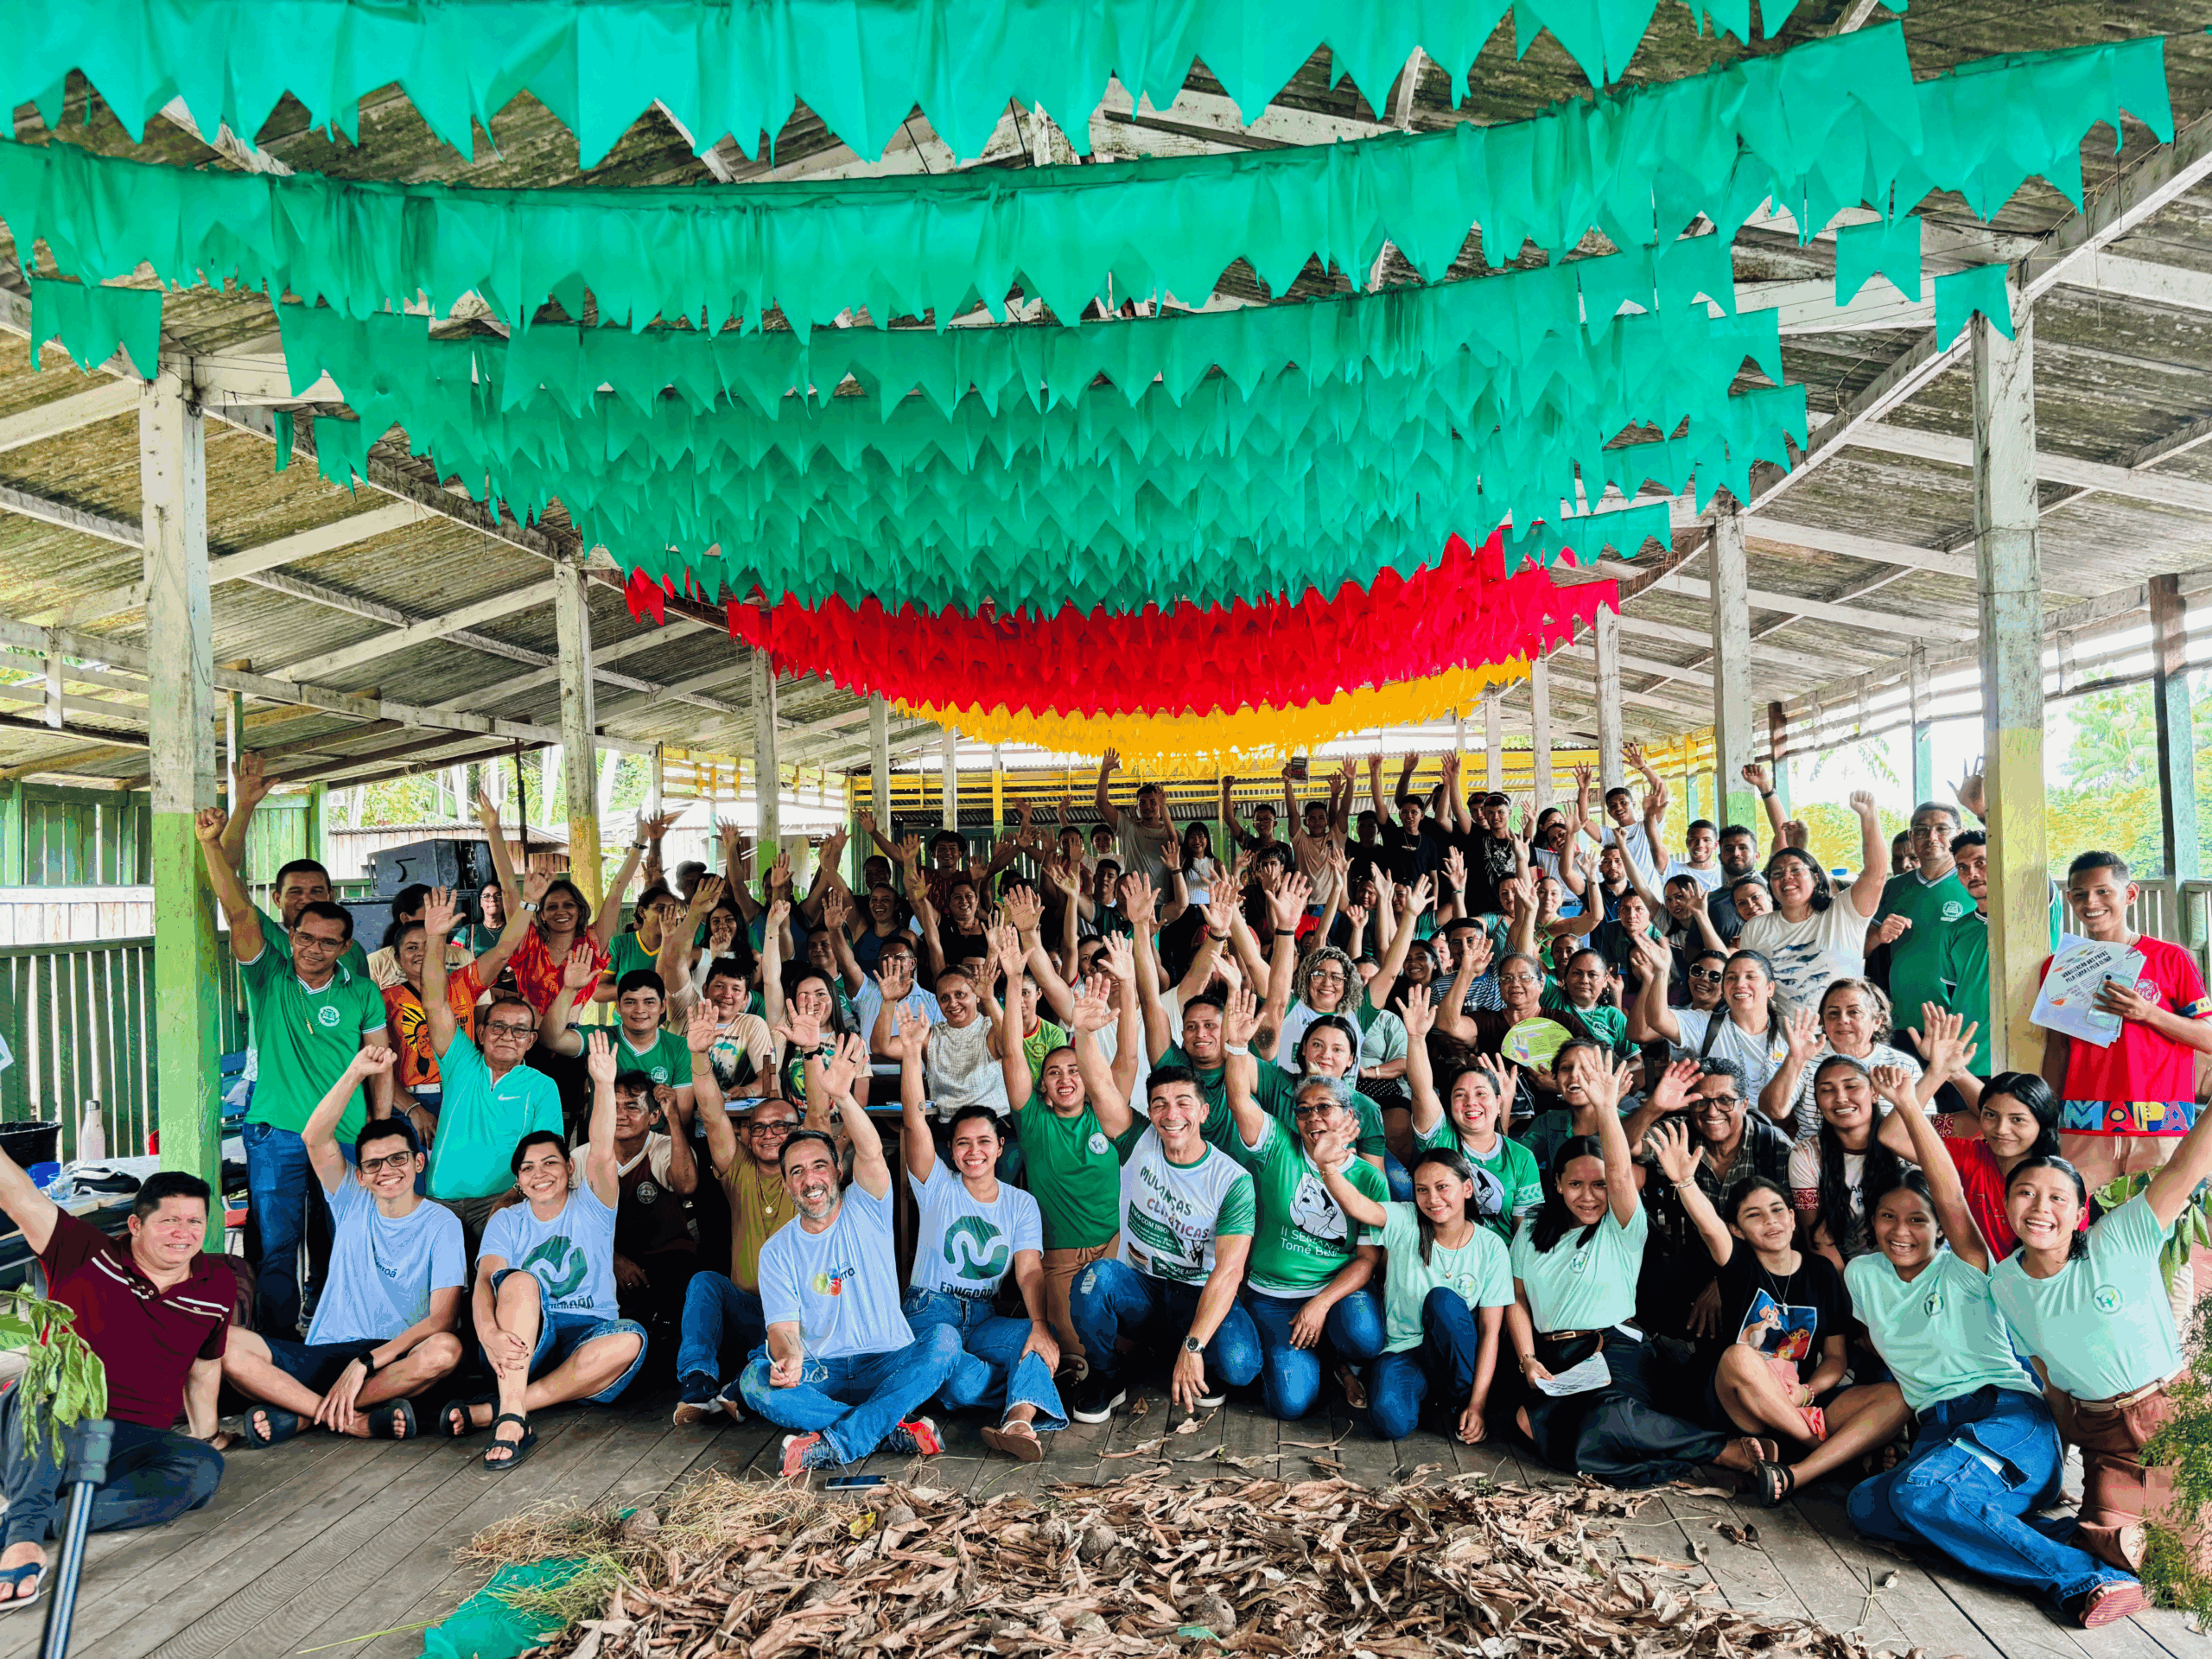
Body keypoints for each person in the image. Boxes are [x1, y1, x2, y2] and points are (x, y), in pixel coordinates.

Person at [1843, 1088, 2148, 1628]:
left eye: (1918, 1220)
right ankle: (2094, 1538)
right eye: (1888, 1217)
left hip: (2006, 1420)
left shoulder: (1964, 1266)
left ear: (1939, 1227)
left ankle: (2087, 1577)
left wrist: (1912, 1109)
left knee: (1921, 1496)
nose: (1901, 1231)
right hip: (1940, 1436)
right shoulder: (1862, 1275)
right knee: (1870, 1507)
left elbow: (1953, 1195)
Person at [1504, 1058, 1767, 1487]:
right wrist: (1528, 1359)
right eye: (1576, 1185)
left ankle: (1721, 1449)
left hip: (1614, 1348)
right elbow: (1516, 1297)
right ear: (1557, 1184)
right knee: (1528, 1424)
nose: (1589, 1196)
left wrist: (1607, 1108)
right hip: (1557, 1358)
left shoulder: (1621, 1224)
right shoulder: (1534, 1228)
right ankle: (1662, 1448)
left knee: (1606, 1419)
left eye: (1599, 1185)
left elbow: (1621, 1172)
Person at [1990, 1095, 2212, 1579]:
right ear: (2007, 1205)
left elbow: (2185, 1166)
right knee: (2101, 1537)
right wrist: (2061, 1455)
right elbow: (2049, 1376)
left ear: (2079, 1212)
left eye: (2057, 1198)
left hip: (2170, 1414)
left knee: (2194, 1572)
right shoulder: (2004, 1284)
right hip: (2102, 1435)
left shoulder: (2120, 1237)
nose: (2040, 1208)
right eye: (2025, 1193)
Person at [195, 805, 391, 1336]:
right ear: (288, 929)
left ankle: (328, 1331)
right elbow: (237, 913)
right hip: (278, 1131)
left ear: (344, 946)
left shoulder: (360, 987)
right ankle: (277, 1345)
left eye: (327, 941)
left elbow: (378, 1062)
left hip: (347, 1134)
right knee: (278, 1243)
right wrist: (213, 844)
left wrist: (378, 1126)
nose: (314, 948)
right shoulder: (270, 975)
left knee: (340, 1235)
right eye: (305, 937)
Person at [0, 1154, 228, 1610]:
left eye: (194, 1221)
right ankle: (23, 1537)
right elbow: (18, 1194)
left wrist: (208, 1435)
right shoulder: (83, 1250)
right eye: (168, 1221)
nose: (183, 1232)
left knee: (202, 1469)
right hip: (41, 1422)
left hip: (122, 1445)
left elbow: (204, 1368)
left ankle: (42, 1516)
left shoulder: (216, 1281)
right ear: (135, 1225)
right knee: (57, 1377)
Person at [740, 1029, 964, 1474]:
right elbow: (783, 1329)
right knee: (754, 1380)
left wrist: (842, 1095)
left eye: (820, 1166)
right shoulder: (777, 1250)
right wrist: (790, 1358)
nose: (811, 1179)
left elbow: (871, 1150)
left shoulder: (867, 1207)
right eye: (797, 1172)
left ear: (837, 1171)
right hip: (822, 1370)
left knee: (944, 1340)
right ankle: (889, 1428)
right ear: (787, 1185)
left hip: (887, 1361)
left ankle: (840, 1442)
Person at [1647, 1122, 1906, 1505]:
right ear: (1737, 1230)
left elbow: (1836, 1359)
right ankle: (1820, 1449)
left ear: (1790, 1215)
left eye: (1776, 1210)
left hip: (1799, 1401)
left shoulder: (1821, 1271)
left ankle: (1804, 1457)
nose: (1770, 1221)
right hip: (1744, 1403)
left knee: (1896, 1397)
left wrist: (1807, 1392)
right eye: (1754, 1216)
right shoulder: (1739, 1266)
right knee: (1737, 1356)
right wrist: (1685, 1183)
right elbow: (1710, 1228)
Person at [225, 1046, 463, 1446]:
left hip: (389, 1360)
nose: (387, 1171)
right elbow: (314, 1136)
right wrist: (355, 1072)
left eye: (398, 1160)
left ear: (418, 1163)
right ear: (363, 1175)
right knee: (226, 1345)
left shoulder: (442, 1224)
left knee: (445, 1350)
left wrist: (367, 1362)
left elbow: (441, 1321)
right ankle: (348, 1418)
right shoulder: (352, 1196)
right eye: (374, 1165)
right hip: (326, 1349)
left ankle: (304, 1416)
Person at [451, 1033, 649, 1467]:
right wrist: (488, 1336)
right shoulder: (507, 1219)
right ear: (517, 1181)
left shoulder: (594, 1203)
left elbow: (601, 1148)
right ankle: (509, 1421)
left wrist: (602, 1083)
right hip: (525, 1340)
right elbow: (485, 1284)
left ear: (569, 1167)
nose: (539, 1174)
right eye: (527, 1169)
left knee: (631, 1338)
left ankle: (507, 1407)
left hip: (587, 1334)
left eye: (549, 1163)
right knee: (517, 1282)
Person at [887, 1007, 1066, 1461]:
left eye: (984, 1142)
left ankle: (1019, 1423)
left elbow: (1028, 1272)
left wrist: (1041, 1327)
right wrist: (911, 1053)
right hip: (931, 1310)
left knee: (1033, 1341)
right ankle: (1014, 1393)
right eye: (963, 1143)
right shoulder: (937, 1186)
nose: (974, 1152)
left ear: (1000, 1147)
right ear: (952, 1150)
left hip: (984, 1317)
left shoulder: (1019, 1203)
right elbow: (913, 1122)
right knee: (968, 1380)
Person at [1065, 1060, 1262, 1424]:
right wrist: (1086, 1030)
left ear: (1203, 1112)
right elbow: (1100, 1087)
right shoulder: (1140, 1140)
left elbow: (1230, 1271)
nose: (1172, 1114)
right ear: (1150, 1112)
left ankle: (1190, 1356)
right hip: (1143, 1288)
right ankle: (1107, 1375)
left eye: (1183, 1102)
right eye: (1159, 1104)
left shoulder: (1232, 1180)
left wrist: (1194, 1345)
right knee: (1094, 1280)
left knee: (1241, 1366)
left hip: (1198, 1295)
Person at [1221, 989, 1387, 1421]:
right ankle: (1298, 1357)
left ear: (1350, 1116)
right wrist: (1237, 1047)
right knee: (1291, 1404)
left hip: (1330, 1292)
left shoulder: (1369, 1178)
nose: (1313, 1118)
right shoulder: (1280, 1145)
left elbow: (1368, 1260)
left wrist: (1321, 1303)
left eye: (1325, 1109)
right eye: (1303, 1110)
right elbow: (1241, 1100)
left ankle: (1337, 1355)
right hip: (1272, 1296)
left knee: (1366, 1337)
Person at [2038, 850, 2212, 1192]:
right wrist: (2047, 1116)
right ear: (2070, 899)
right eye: (2080, 894)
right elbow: (2057, 1049)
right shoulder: (2058, 966)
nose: (2092, 902)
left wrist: (2149, 1013)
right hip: (2081, 1125)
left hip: (2160, 1125)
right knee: (2082, 1229)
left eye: (2104, 891)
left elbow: (2207, 1038)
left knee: (2162, 1233)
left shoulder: (2171, 958)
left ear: (2130, 894)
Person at [1316, 1144, 1512, 1443]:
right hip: (1404, 1351)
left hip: (1455, 1362)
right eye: (1422, 1190)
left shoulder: (1491, 1247)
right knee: (1389, 1424)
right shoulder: (1406, 1220)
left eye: (1443, 1187)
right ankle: (1426, 1399)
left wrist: (1478, 1403)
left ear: (1467, 1188)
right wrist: (1328, 1167)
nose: (1433, 1199)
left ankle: (1459, 1401)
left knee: (1442, 1301)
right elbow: (1359, 1205)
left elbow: (1490, 1332)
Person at [1002, 949, 1141, 1368]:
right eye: (1054, 1073)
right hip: (1060, 1261)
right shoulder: (1033, 1122)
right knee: (1080, 1358)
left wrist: (1129, 986)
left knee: (1129, 1351)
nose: (1065, 1078)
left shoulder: (1108, 1113)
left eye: (1074, 1069)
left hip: (1117, 1251)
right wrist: (1011, 980)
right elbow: (1011, 1055)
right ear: (1042, 1086)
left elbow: (1129, 1057)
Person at [417, 889, 569, 1258]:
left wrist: (512, 1199)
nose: (507, 1036)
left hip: (500, 1203)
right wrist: (436, 937)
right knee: (441, 1291)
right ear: (481, 1033)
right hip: (442, 1199)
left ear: (531, 1041)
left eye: (520, 1030)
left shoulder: (542, 1087)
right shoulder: (460, 1061)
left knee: (500, 1283)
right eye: (498, 1026)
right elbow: (435, 999)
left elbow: (549, 1159)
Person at [673, 1007, 798, 1427]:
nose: (768, 1134)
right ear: (746, 1134)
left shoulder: (809, 1175)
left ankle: (746, 1382)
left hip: (799, 1318)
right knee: (705, 1283)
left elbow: (818, 1114)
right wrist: (698, 1057)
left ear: (798, 1135)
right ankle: (698, 1380)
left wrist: (814, 1051)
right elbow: (711, 1112)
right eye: (759, 1127)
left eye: (781, 1127)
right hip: (747, 1310)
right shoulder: (739, 1167)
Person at [1637, 1058, 1792, 1344]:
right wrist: (1653, 1107)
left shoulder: (1774, 1148)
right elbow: (1624, 1147)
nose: (1712, 1111)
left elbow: (1789, 1235)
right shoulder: (1680, 1134)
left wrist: (1726, 1280)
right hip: (1692, 1260)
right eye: (1701, 1101)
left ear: (1745, 1104)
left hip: (1760, 1264)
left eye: (1725, 1100)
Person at [383, 870, 540, 1131]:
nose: (422, 952)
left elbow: (503, 951)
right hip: (412, 1103)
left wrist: (528, 904)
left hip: (464, 1090)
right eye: (411, 948)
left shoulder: (463, 982)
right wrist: (412, 1108)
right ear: (398, 959)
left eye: (429, 944)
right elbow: (380, 1068)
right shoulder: (385, 999)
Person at [1878, 1057, 2069, 1258]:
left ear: (2042, 1124)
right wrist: (1937, 1072)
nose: (2001, 1129)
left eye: (2018, 1120)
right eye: (1990, 1116)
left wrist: (1959, 1073)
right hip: (1977, 1281)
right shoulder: (1968, 1156)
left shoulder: (2062, 1181)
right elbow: (1892, 1136)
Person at [574, 1071, 701, 1345]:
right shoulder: (583, 1156)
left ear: (654, 1117)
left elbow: (687, 1185)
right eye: (613, 1106)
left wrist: (675, 1120)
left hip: (667, 1259)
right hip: (607, 1260)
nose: (621, 1115)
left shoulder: (666, 1146)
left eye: (632, 1107)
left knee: (686, 1303)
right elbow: (567, 1223)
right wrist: (612, 1258)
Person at [1738, 791, 1885, 1010]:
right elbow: (1752, 988)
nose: (1786, 877)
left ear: (1816, 878)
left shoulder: (1843, 912)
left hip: (1845, 1032)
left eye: (1796, 870)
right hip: (1786, 1037)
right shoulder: (1756, 928)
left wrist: (1869, 818)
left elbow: (1875, 873)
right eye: (1776, 874)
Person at [1403, 1015, 1541, 1241]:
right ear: (1449, 1104)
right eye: (1460, 1095)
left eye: (1481, 1094)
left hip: (1500, 1263)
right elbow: (1422, 1089)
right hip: (1442, 1257)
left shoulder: (1521, 1158)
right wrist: (1417, 1038)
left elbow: (1526, 1237)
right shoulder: (1440, 1139)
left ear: (1499, 1103)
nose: (1470, 1103)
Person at [1758, 980, 1927, 1141]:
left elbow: (1926, 1127)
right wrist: (1795, 1059)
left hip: (1890, 1160)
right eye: (1833, 1013)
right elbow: (1773, 1111)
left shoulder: (1903, 1064)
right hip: (1816, 1162)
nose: (1843, 1020)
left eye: (1854, 1012)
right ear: (1824, 1023)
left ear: (1877, 1022)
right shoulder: (1806, 1059)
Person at [1789, 1056, 1912, 1270]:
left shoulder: (1908, 1141)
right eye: (1827, 1090)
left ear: (1875, 1093)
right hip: (1850, 1274)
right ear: (1818, 1103)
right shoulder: (1805, 1156)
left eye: (1851, 1086)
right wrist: (1852, 1295)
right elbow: (1819, 1241)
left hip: (1916, 1265)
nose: (1841, 1098)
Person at [1630, 941, 1789, 1101]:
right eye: (1732, 978)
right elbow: (1656, 1021)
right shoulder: (1706, 1023)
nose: (1740, 984)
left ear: (1770, 988)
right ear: (1725, 989)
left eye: (1751, 977)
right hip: (1714, 1116)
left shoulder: (1789, 1033)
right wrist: (1660, 973)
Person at [1870, 803, 1972, 1052]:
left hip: (1959, 1024)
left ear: (1959, 833)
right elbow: (1859, 947)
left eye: (1941, 829)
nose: (1931, 837)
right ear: (1912, 837)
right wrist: (1879, 935)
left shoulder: (1975, 885)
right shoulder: (1894, 888)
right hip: (1904, 1020)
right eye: (1921, 830)